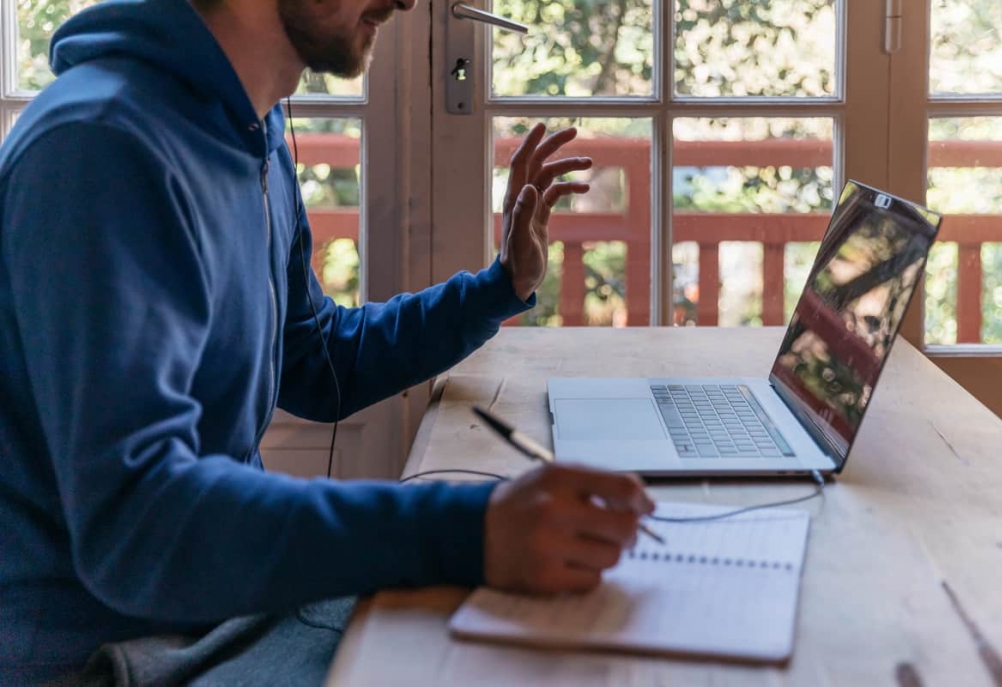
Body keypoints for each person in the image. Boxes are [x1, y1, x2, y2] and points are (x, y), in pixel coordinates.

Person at [0, 0, 656, 683]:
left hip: (217, 616)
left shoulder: (250, 124)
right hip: (109, 657)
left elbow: (317, 359)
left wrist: (498, 286)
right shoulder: (100, 148)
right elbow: (139, 525)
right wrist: (474, 529)